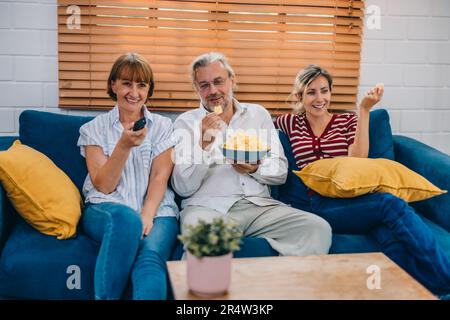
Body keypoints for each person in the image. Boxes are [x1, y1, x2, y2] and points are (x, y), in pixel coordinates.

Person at [274, 64, 450, 294]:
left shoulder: (346, 122)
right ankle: (445, 279)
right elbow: (255, 126)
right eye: (311, 92)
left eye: (324, 90)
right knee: (390, 204)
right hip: (318, 205)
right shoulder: (289, 123)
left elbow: (357, 159)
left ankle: (421, 289)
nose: (320, 98)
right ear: (300, 96)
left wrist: (364, 110)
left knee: (388, 235)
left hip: (355, 200)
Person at [171, 52, 332, 257]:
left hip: (259, 207)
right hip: (208, 207)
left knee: (317, 229)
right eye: (204, 85)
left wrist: (255, 169)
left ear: (232, 80)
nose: (213, 91)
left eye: (218, 81)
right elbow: (183, 188)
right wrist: (203, 146)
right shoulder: (186, 123)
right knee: (206, 239)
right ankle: (206, 288)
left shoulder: (258, 114)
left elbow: (280, 171)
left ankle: (286, 286)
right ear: (196, 89)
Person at [77, 53, 179, 300]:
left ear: (148, 90)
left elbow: (159, 176)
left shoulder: (163, 127)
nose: (134, 92)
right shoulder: (93, 129)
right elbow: (104, 185)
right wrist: (122, 146)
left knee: (150, 260)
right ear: (113, 85)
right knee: (126, 221)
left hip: (157, 210)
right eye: (126, 83)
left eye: (141, 85)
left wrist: (146, 214)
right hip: (106, 207)